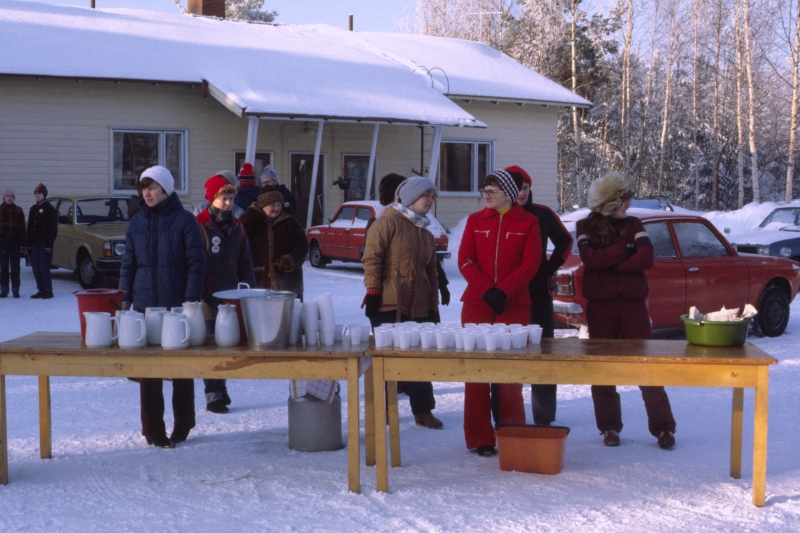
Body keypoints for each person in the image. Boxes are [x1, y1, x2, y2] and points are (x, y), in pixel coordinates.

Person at [577, 171, 676, 449]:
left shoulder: (634, 224)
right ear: (608, 202)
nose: (628, 205)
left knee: (648, 366)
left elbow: (646, 257)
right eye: (623, 200)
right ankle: (609, 427)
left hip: (634, 307)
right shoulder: (585, 226)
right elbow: (590, 259)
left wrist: (608, 258)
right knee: (603, 368)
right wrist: (625, 250)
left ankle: (664, 429)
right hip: (600, 308)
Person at [119, 165, 205, 448]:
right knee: (149, 371)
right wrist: (125, 298)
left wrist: (190, 301)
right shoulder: (136, 223)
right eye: (144, 188)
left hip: (177, 307)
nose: (147, 193)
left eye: (152, 187)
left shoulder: (184, 221)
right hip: (146, 306)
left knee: (181, 368)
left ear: (166, 190)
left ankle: (184, 422)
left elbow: (196, 265)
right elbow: (128, 265)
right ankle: (153, 430)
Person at [458, 169, 541, 456]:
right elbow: (465, 260)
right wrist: (487, 291)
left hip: (514, 304)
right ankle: (480, 437)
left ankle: (512, 433)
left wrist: (503, 291)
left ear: (508, 192)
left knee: (509, 372)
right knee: (477, 372)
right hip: (477, 304)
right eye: (485, 189)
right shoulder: (474, 221)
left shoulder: (529, 222)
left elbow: (531, 263)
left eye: (493, 189)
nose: (487, 194)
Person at [362, 176, 444, 430]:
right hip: (388, 304)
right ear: (409, 198)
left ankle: (423, 411)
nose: (430, 200)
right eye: (425, 195)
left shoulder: (425, 232)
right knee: (386, 361)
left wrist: (433, 305)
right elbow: (371, 258)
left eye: (433, 196)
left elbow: (431, 272)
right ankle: (383, 411)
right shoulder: (387, 222)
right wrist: (374, 292)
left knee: (419, 360)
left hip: (417, 305)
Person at [507, 165, 573, 427]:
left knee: (543, 355)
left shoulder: (543, 214)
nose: (521, 193)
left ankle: (544, 417)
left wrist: (550, 266)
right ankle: (508, 416)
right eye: (517, 188)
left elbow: (565, 241)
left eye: (525, 187)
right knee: (509, 355)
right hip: (509, 296)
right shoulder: (499, 214)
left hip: (538, 296)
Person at [197, 175, 256, 414]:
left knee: (226, 344)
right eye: (224, 199)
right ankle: (213, 395)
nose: (229, 203)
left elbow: (245, 261)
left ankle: (220, 386)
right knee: (211, 345)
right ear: (213, 198)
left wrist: (249, 290)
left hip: (230, 295)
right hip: (206, 296)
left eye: (231, 198)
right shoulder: (199, 225)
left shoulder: (238, 227)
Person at [240, 185, 308, 299]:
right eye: (272, 205)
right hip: (261, 280)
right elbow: (241, 230)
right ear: (263, 206)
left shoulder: (290, 222)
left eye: (279, 205)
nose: (277, 208)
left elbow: (303, 246)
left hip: (287, 283)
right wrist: (252, 212)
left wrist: (289, 260)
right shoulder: (255, 222)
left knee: (286, 314)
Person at [27, 183, 57, 299]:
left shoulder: (49, 209)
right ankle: (41, 289)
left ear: (44, 194)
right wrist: (28, 244)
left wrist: (49, 244)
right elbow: (30, 227)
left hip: (45, 243)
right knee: (36, 267)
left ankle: (48, 290)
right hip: (35, 243)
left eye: (39, 193)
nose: (37, 195)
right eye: (36, 193)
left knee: (44, 267)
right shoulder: (33, 209)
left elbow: (53, 229)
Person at [0, 189, 26, 298]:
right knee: (4, 266)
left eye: (11, 196)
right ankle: (4, 290)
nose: (10, 198)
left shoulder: (19, 210)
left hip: (15, 242)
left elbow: (22, 228)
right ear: (4, 198)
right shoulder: (0, 210)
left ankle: (16, 289)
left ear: (14, 198)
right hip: (3, 241)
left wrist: (23, 242)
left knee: (15, 267)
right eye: (7, 196)